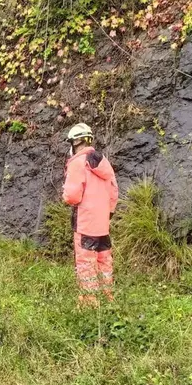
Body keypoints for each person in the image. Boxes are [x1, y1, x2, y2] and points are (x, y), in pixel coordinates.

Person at [62, 123, 119, 306]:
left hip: (85, 222)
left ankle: (90, 304)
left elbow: (72, 196)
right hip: (102, 224)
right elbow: (113, 191)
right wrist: (107, 213)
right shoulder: (104, 162)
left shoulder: (77, 163)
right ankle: (108, 297)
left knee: (86, 263)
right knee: (104, 261)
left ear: (76, 141)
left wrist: (66, 196)